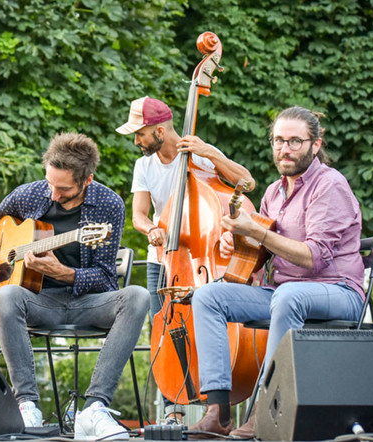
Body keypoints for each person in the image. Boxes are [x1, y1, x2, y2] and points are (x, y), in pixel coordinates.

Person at [186, 106, 364, 438]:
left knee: (287, 296)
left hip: (338, 291)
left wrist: (257, 233)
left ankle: (264, 409)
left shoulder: (330, 185)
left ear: (315, 144)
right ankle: (218, 412)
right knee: (209, 296)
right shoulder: (273, 191)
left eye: (295, 141)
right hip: (284, 292)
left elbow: (315, 257)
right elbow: (260, 250)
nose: (285, 149)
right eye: (279, 140)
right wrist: (235, 241)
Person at [0, 132, 149, 440]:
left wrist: (65, 272)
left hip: (87, 304)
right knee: (8, 293)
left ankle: (94, 410)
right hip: (40, 303)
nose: (52, 194)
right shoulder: (31, 194)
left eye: (62, 188)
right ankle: (26, 406)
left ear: (86, 180)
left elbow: (107, 278)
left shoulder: (109, 205)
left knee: (138, 296)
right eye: (50, 183)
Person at [116, 96, 255, 424]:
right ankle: (172, 411)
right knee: (163, 326)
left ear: (160, 131)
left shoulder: (200, 155)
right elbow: (138, 215)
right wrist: (151, 228)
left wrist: (210, 153)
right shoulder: (144, 166)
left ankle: (217, 404)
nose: (136, 141)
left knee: (211, 324)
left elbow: (247, 183)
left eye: (140, 134)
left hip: (204, 258)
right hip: (163, 260)